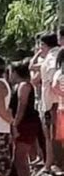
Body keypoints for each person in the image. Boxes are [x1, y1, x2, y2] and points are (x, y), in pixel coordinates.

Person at [30, 32, 60, 169]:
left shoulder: (51, 60)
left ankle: (51, 164)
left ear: (44, 45)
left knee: (51, 135)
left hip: (52, 103)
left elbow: (34, 74)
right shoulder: (56, 56)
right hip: (55, 102)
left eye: (41, 45)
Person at [9, 61, 41, 176]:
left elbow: (22, 106)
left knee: (20, 158)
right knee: (18, 158)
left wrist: (15, 123)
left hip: (26, 124)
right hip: (23, 123)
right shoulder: (18, 86)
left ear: (16, 73)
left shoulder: (24, 86)